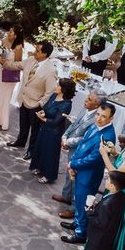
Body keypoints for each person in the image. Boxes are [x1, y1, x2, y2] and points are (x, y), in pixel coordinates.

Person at [61, 103, 116, 244]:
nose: (99, 118)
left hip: (89, 176)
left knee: (84, 203)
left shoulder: (108, 136)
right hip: (81, 171)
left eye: (104, 116)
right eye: (97, 114)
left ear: (111, 118)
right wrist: (73, 160)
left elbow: (94, 159)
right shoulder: (94, 126)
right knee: (78, 200)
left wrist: (73, 164)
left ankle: (81, 233)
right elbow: (82, 145)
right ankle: (77, 223)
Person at [1, 41, 58, 160]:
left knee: (35, 130)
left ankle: (31, 150)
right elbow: (16, 65)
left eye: (37, 51)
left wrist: (40, 104)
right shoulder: (31, 60)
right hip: (24, 98)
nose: (34, 52)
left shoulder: (50, 70)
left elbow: (50, 91)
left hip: (36, 104)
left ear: (45, 54)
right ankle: (20, 141)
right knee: (23, 123)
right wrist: (4, 62)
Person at [53, 90, 106, 219]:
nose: (85, 100)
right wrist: (64, 136)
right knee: (68, 174)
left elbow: (85, 138)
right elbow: (74, 124)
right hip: (72, 148)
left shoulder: (96, 119)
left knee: (76, 180)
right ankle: (66, 196)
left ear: (97, 104)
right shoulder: (85, 109)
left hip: (80, 151)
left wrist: (69, 142)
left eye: (89, 99)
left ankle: (73, 208)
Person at [77, 171, 125, 250]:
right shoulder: (121, 197)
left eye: (108, 180)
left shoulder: (107, 204)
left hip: (98, 237)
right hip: (109, 237)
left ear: (113, 186)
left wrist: (90, 212)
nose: (106, 181)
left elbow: (100, 223)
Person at [29, 78, 75, 183]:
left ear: (64, 89)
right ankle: (39, 167)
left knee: (50, 152)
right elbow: (46, 107)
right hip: (44, 127)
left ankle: (48, 175)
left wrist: (43, 119)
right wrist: (43, 113)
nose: (56, 86)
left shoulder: (67, 104)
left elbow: (57, 121)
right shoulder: (54, 95)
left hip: (54, 131)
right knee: (41, 148)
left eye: (58, 85)